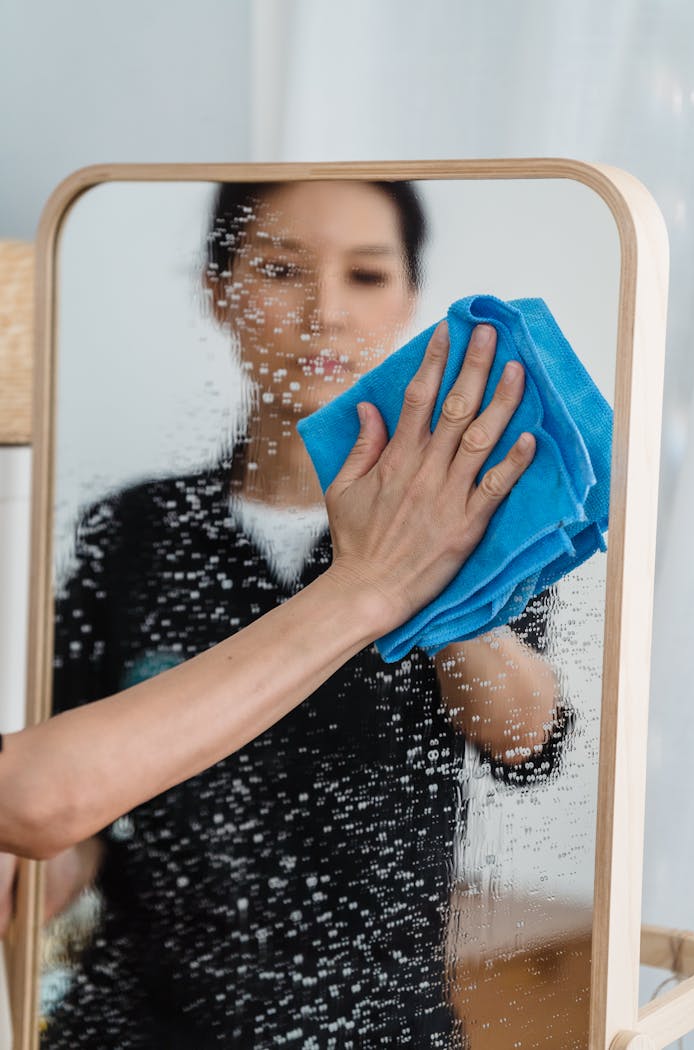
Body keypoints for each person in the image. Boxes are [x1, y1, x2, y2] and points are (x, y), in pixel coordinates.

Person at [1, 180, 563, 1048]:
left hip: (372, 1027)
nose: (325, 311)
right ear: (217, 291)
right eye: (278, 269)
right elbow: (70, 794)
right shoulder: (137, 530)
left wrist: (448, 569)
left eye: (367, 276)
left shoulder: (472, 525)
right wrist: (31, 870)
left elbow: (527, 737)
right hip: (139, 1024)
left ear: (412, 299)